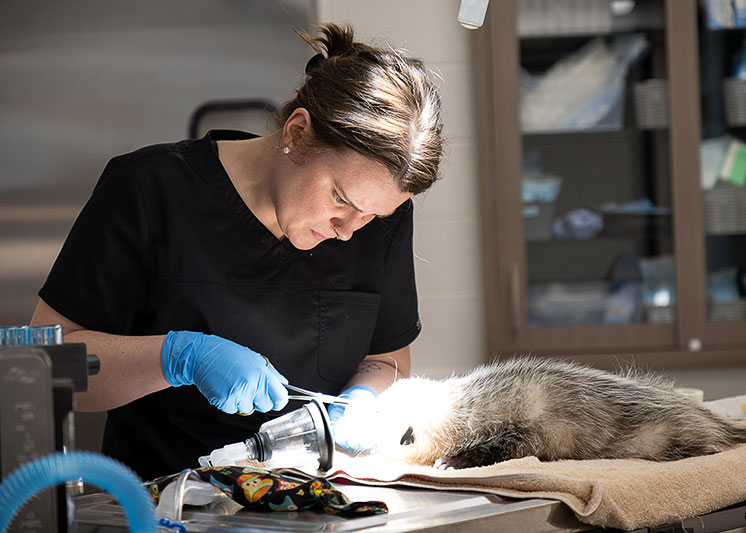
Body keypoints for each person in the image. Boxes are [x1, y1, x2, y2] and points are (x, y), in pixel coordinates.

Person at [29, 23, 444, 482]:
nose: (350, 232)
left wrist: (363, 400)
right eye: (341, 199)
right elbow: (46, 367)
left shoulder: (375, 220)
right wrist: (175, 357)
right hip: (165, 506)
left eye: (373, 216)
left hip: (317, 503)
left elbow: (388, 358)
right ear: (298, 133)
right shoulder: (150, 190)